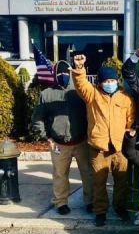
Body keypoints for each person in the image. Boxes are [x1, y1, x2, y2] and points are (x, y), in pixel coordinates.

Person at [71, 54, 135, 226]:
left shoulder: (125, 97)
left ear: (116, 81)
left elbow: (131, 118)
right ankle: (100, 211)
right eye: (105, 81)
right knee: (99, 183)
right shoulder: (92, 95)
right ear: (100, 82)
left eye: (112, 80)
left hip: (120, 146)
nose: (109, 83)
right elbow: (81, 84)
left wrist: (130, 130)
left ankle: (120, 207)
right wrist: (79, 69)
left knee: (121, 181)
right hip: (98, 147)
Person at [31, 60, 93, 215]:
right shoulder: (46, 94)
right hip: (59, 144)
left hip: (81, 141)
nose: (63, 75)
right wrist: (46, 137)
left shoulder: (79, 91)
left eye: (66, 72)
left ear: (70, 73)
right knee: (60, 174)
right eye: (59, 73)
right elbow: (38, 118)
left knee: (87, 173)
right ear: (54, 75)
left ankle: (91, 201)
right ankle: (61, 202)